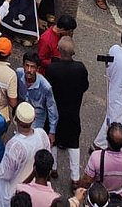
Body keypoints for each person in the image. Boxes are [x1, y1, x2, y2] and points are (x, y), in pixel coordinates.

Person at [0, 101, 50, 207]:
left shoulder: (15, 145)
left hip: (11, 192)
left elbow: (4, 172)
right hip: (29, 188)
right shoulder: (42, 134)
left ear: (16, 119)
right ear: (33, 119)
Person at [45, 37, 88, 192]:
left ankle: (53, 168)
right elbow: (85, 86)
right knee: (73, 143)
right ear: (73, 52)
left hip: (55, 111)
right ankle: (75, 178)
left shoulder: (52, 69)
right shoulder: (80, 68)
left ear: (58, 49)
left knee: (53, 139)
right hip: (72, 112)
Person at [94, 29, 122, 148]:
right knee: (115, 124)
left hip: (113, 89)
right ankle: (100, 145)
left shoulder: (114, 49)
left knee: (110, 118)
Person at [78, 122, 122, 207]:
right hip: (120, 195)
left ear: (107, 140)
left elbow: (87, 180)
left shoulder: (97, 157)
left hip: (98, 197)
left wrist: (79, 191)